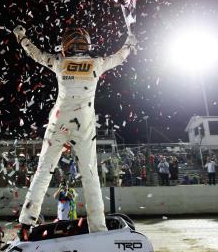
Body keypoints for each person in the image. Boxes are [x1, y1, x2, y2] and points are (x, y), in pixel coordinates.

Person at [14, 25, 137, 237]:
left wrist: (22, 38)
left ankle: (26, 224)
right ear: (87, 44)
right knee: (90, 176)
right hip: (85, 124)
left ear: (66, 46)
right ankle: (98, 228)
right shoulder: (96, 63)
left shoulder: (60, 62)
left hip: (58, 122)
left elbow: (36, 54)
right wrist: (130, 40)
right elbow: (121, 56)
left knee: (43, 171)